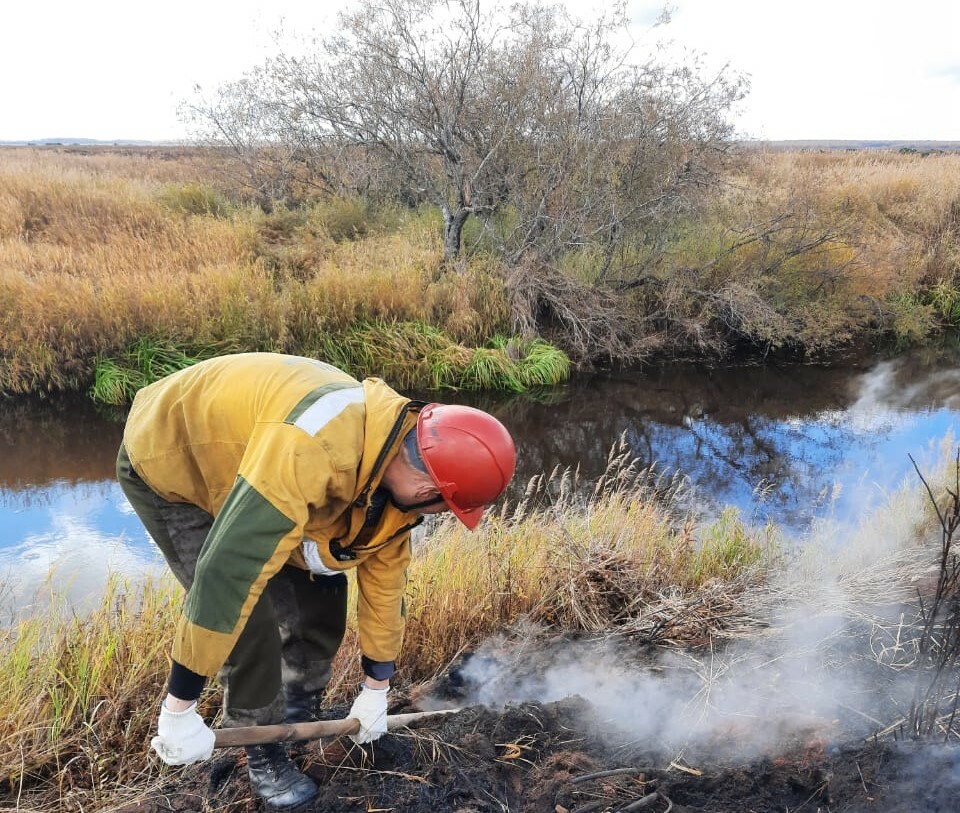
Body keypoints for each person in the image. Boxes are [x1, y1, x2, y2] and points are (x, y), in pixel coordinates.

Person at [116, 352, 516, 810]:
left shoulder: (393, 463)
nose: (439, 516)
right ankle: (262, 750)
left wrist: (375, 690)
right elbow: (229, 572)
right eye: (445, 506)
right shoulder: (314, 445)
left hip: (257, 466)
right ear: (428, 489)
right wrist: (179, 706)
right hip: (172, 460)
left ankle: (295, 709)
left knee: (322, 598)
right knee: (252, 626)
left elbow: (386, 589)